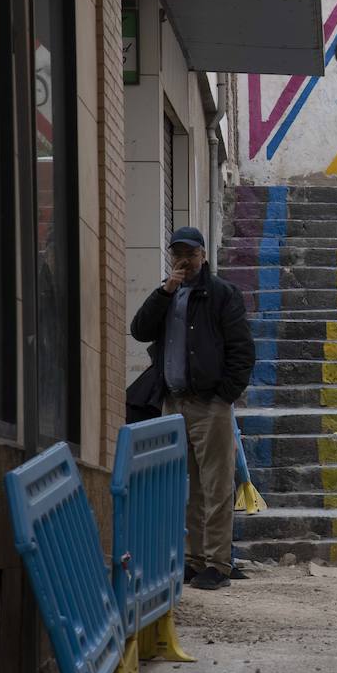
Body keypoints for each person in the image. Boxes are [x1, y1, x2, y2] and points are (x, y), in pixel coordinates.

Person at [130, 226, 255, 591]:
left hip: (209, 405)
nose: (183, 259)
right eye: (177, 253)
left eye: (190, 253)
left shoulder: (221, 295)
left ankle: (218, 563)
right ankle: (192, 559)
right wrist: (165, 290)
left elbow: (242, 350)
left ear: (203, 255)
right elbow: (139, 330)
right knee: (186, 487)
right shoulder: (167, 293)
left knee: (216, 486)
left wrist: (224, 395)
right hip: (172, 402)